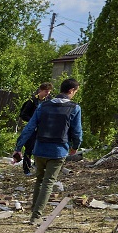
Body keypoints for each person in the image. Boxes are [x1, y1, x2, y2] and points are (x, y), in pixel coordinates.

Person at [14, 78, 81, 224]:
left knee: (39, 179)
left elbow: (29, 127)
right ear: (71, 91)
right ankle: (36, 216)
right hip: (58, 151)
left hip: (39, 149)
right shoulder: (74, 108)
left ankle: (34, 209)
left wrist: (18, 147)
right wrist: (75, 147)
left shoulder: (43, 106)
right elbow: (76, 132)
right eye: (75, 91)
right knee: (48, 182)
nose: (75, 94)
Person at [16, 82, 52, 175]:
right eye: (46, 91)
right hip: (32, 128)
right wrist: (33, 121)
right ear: (40, 90)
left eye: (49, 92)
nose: (47, 93)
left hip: (43, 129)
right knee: (29, 148)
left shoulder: (49, 101)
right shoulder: (31, 101)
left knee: (41, 148)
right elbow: (23, 115)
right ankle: (26, 169)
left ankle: (38, 167)